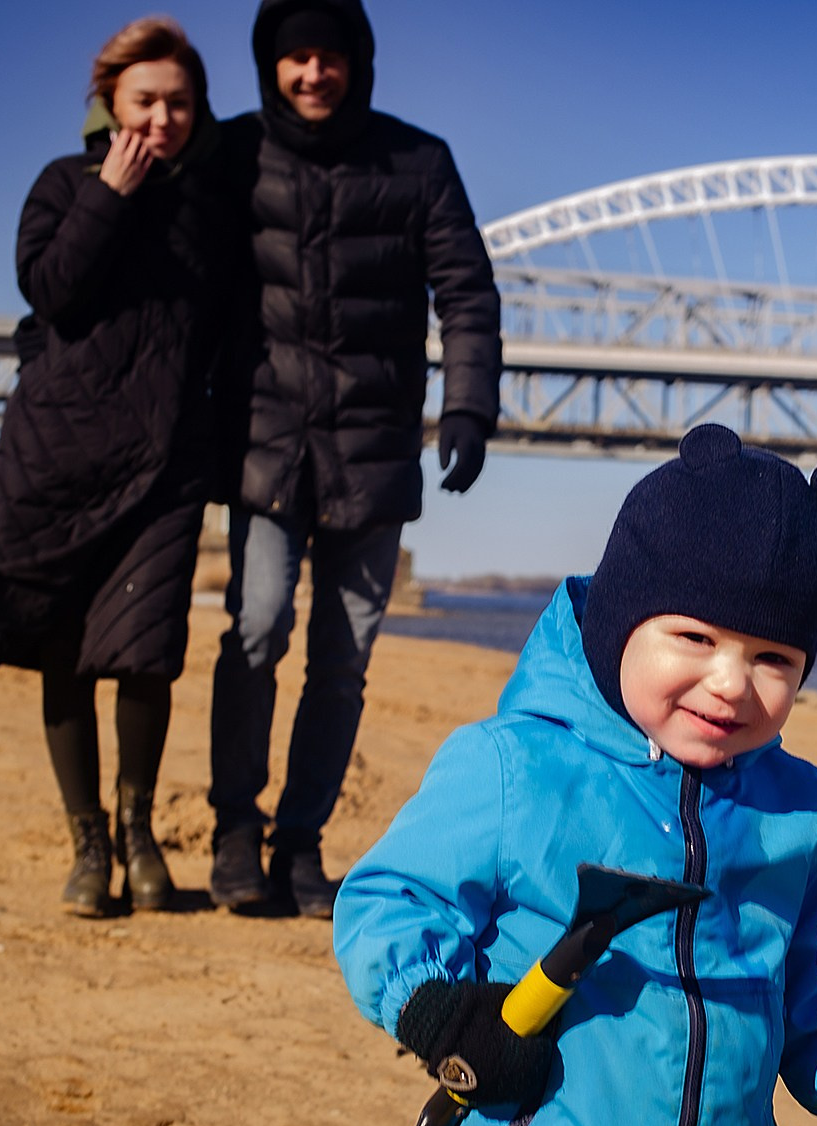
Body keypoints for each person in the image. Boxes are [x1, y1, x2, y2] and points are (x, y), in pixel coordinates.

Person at [335, 424, 817, 1126]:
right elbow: (389, 901)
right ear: (620, 622)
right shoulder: (514, 764)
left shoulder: (810, 816)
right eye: (693, 636)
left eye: (774, 657)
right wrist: (443, 1012)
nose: (730, 682)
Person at [207, 0, 502, 916]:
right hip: (265, 441)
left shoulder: (417, 161)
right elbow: (163, 259)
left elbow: (467, 293)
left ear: (357, 63)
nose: (312, 74)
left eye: (330, 56)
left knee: (343, 659)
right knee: (256, 628)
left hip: (372, 452)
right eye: (295, 56)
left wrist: (467, 406)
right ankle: (231, 829)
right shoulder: (229, 155)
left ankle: (299, 841)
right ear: (271, 63)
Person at [0, 17, 235, 914]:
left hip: (165, 467)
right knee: (63, 652)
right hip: (59, 457)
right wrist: (108, 193)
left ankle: (142, 834)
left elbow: (228, 332)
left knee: (146, 652)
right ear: (109, 100)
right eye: (145, 100)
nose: (162, 118)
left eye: (180, 103)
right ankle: (88, 846)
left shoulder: (214, 203)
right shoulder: (63, 184)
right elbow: (53, 291)